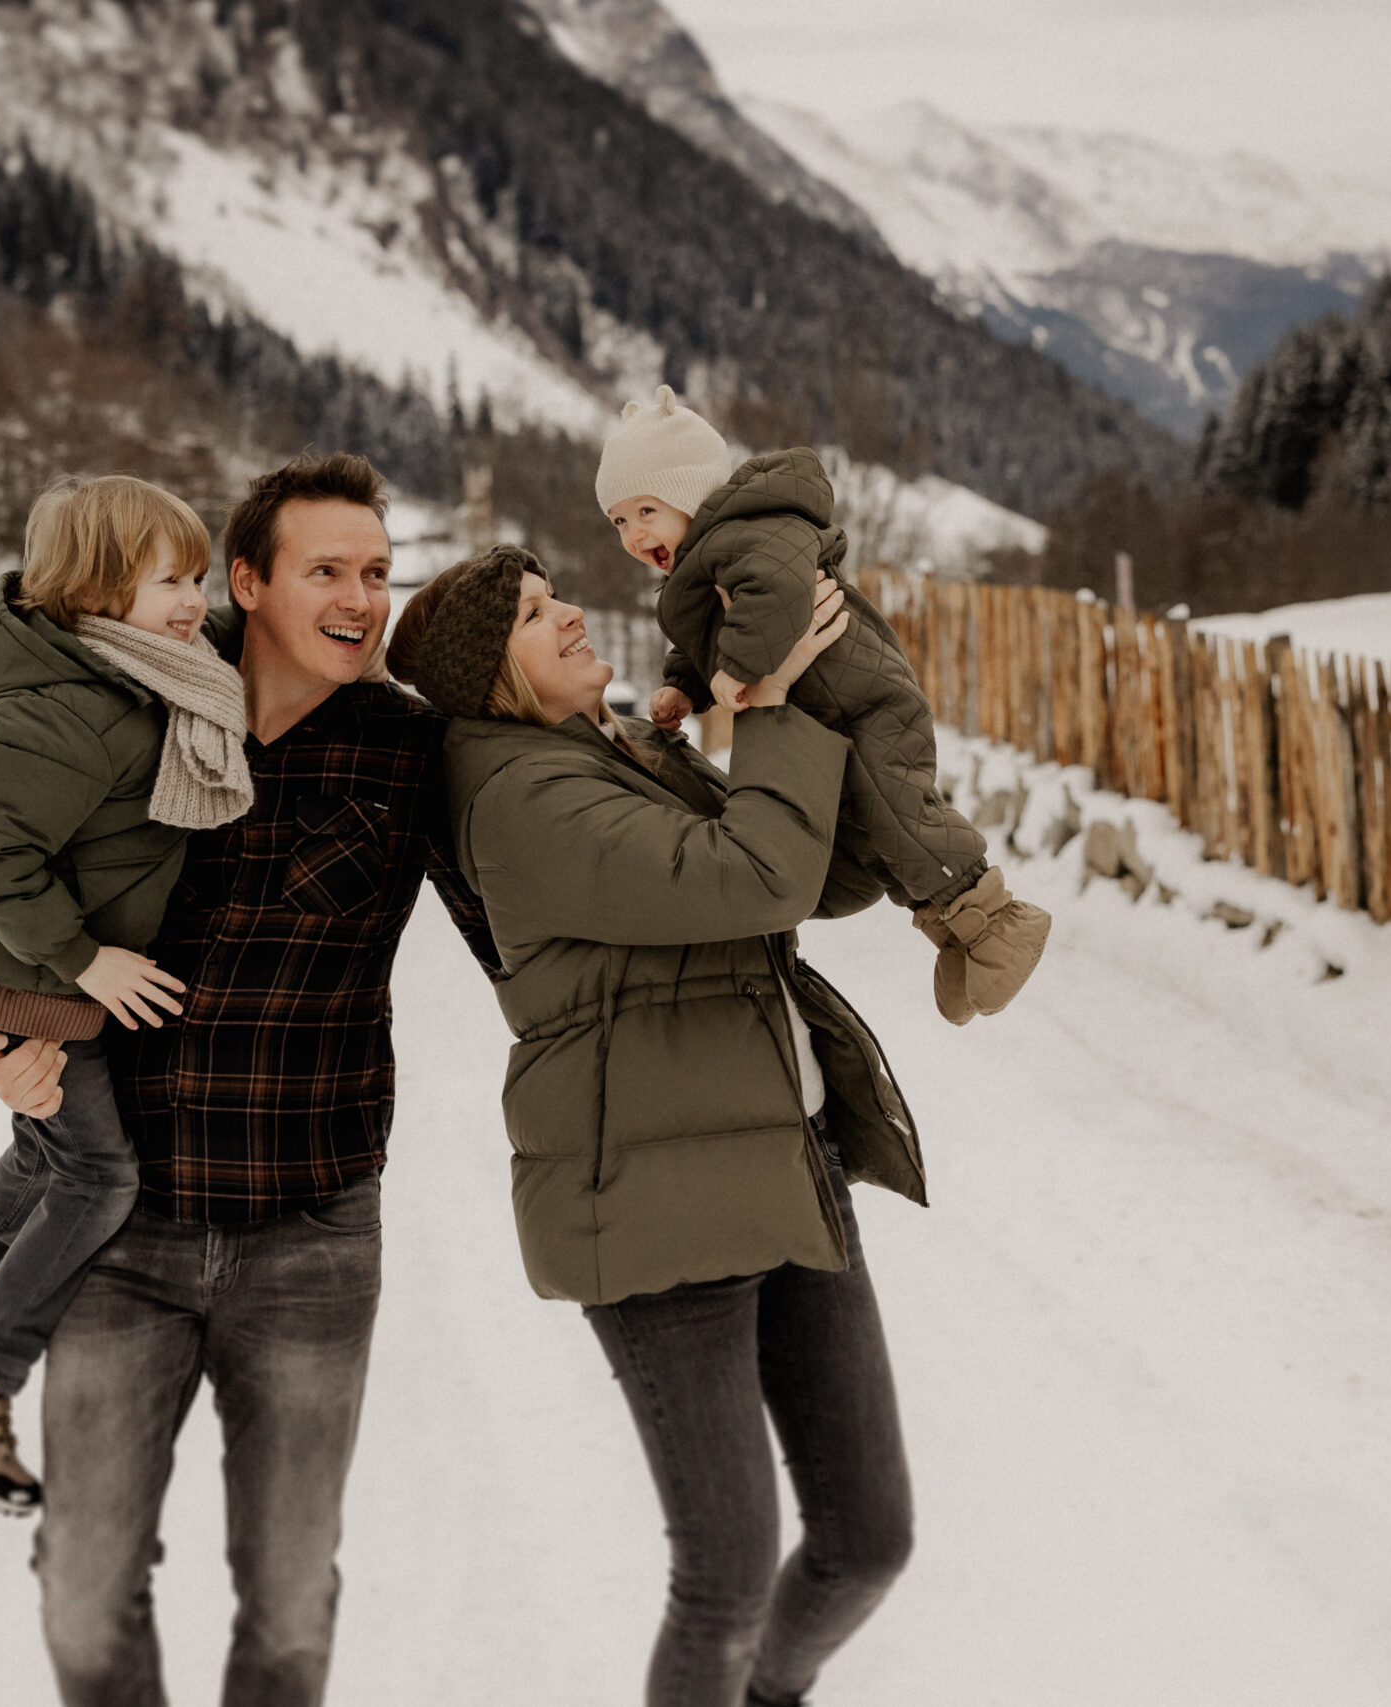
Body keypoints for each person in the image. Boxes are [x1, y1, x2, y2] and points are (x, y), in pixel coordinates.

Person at [0, 453, 500, 1706]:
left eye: (376, 571)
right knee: (83, 1590)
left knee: (292, 1596)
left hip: (310, 1233)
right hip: (119, 1234)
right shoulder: (121, 706)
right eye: (328, 571)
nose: (363, 599)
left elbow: (520, 937)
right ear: (245, 582)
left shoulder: (409, 749)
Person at [387, 543, 922, 1707]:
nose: (572, 612)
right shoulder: (521, 795)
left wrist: (825, 751)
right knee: (724, 1577)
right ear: (490, 675)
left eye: (553, 591)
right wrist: (770, 716)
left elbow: (800, 869)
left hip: (786, 1159)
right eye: (536, 613)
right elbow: (751, 881)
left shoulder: (604, 753)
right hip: (649, 1211)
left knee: (867, 1539)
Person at [0, 474, 247, 1516]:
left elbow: (231, 628)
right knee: (97, 1174)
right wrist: (85, 963)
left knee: (58, 1143)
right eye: (171, 581)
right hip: (20, 968)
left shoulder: (132, 668)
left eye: (197, 575)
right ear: (93, 592)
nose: (195, 601)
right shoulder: (69, 715)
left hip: (29, 962)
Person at [598, 384, 1052, 1026]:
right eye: (618, 521)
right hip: (826, 713)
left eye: (646, 510)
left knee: (899, 813)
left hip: (864, 702)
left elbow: (777, 594)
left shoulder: (751, 533)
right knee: (870, 836)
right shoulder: (697, 573)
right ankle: (955, 938)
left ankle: (998, 921)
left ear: (692, 493)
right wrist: (688, 685)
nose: (633, 533)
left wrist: (738, 668)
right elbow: (704, 637)